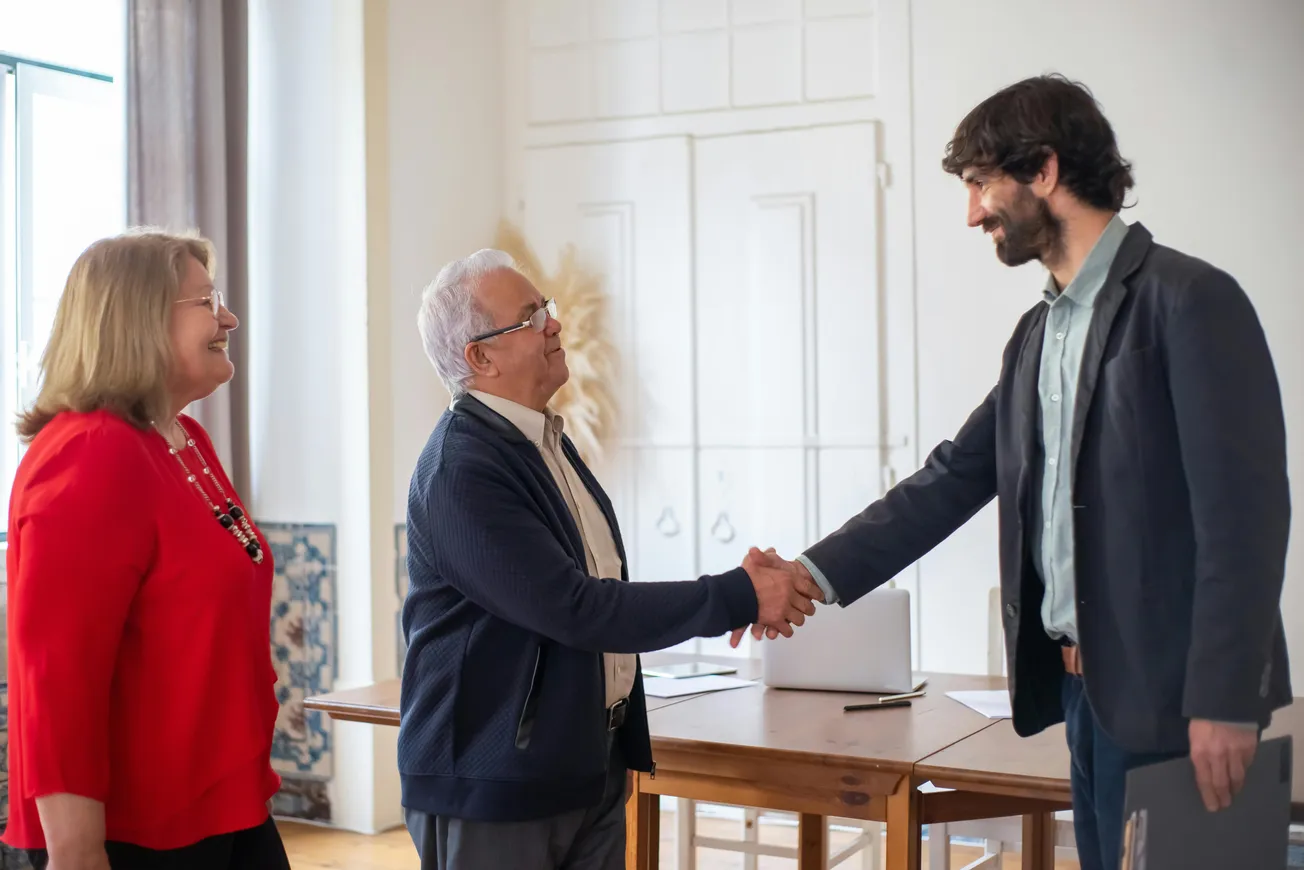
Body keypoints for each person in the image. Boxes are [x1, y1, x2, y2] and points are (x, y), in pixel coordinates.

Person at [741, 74, 1291, 870]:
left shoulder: (1190, 301)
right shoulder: (1037, 333)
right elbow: (953, 478)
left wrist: (1224, 701)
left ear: (1043, 169)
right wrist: (809, 574)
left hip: (1179, 704)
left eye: (979, 184)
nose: (972, 213)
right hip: (1084, 697)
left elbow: (1245, 520)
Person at [400, 249, 821, 870]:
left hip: (586, 762)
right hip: (496, 785)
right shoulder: (463, 470)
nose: (554, 324)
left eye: (546, 308)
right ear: (480, 358)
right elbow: (577, 609)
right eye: (530, 316)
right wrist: (740, 594)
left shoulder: (540, 440)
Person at [3, 231, 289, 870]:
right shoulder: (93, 451)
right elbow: (58, 675)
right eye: (206, 300)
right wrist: (77, 852)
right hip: (135, 836)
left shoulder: (183, 438)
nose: (229, 317)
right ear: (137, 319)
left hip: (224, 808)